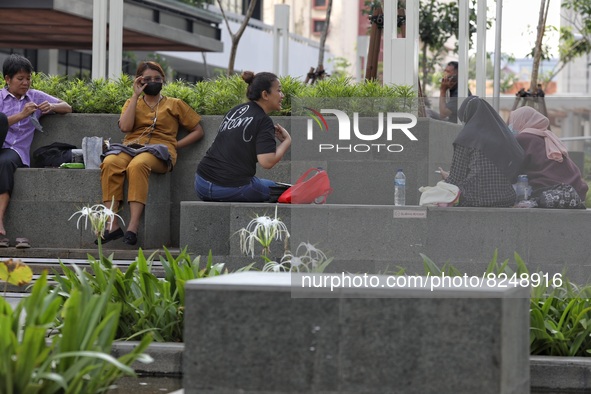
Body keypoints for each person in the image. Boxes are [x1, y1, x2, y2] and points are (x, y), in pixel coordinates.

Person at [100, 60, 204, 246]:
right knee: (110, 162)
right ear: (139, 81)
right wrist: (135, 96)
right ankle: (112, 224)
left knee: (138, 164)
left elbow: (198, 131)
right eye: (147, 79)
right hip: (130, 147)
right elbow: (125, 127)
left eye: (157, 78)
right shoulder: (131, 103)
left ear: (163, 80)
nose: (153, 81)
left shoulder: (175, 104)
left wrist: (174, 145)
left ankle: (133, 226)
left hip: (159, 152)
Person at [0, 54, 72, 248]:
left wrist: (53, 106)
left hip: (15, 151)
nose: (25, 83)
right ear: (7, 79)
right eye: (20, 79)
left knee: (5, 163)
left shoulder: (35, 96)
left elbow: (68, 107)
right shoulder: (0, 98)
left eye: (28, 78)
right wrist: (21, 115)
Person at [195, 71, 291, 202]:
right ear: (265, 94)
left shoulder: (235, 111)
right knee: (283, 192)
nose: (282, 95)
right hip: (231, 188)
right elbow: (267, 162)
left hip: (201, 183)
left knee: (263, 183)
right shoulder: (263, 120)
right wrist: (286, 141)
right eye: (279, 91)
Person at [438, 96, 524, 207]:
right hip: (506, 198)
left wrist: (446, 176)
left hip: (474, 199)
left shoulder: (465, 138)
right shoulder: (502, 136)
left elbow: (456, 179)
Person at [508, 106, 587, 208]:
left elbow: (513, 169)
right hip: (575, 191)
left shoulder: (524, 138)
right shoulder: (547, 137)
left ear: (521, 121)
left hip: (551, 191)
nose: (510, 126)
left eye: (512, 122)